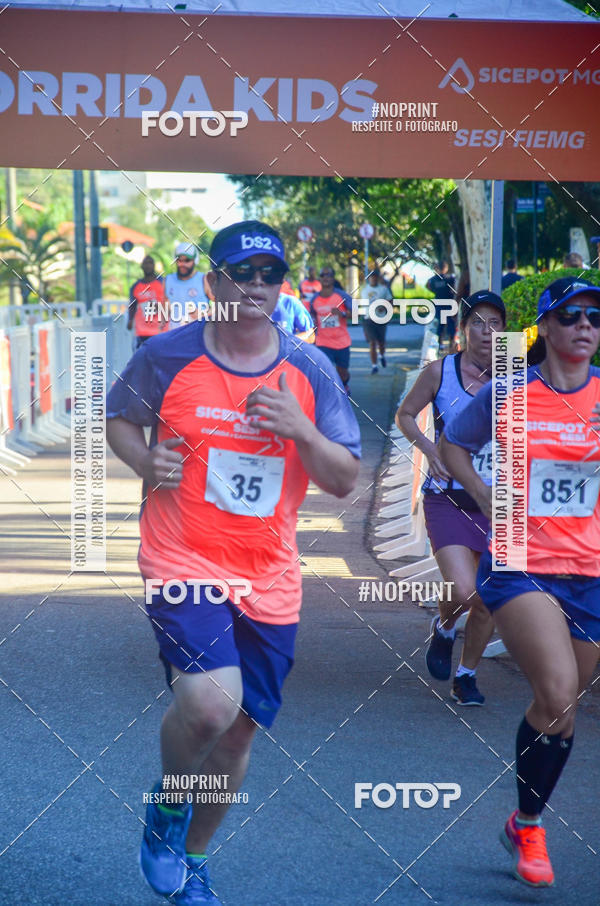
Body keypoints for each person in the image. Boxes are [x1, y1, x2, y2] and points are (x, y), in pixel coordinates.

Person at [106, 220, 360, 905]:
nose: (255, 287)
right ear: (211, 281)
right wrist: (143, 459)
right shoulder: (166, 356)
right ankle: (165, 809)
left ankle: (193, 857)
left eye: (269, 275)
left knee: (239, 732)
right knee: (212, 707)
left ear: (282, 284)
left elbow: (343, 479)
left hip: (268, 572)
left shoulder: (306, 369)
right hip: (181, 552)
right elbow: (120, 420)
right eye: (240, 273)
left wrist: (301, 430)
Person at [440, 276, 600, 888]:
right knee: (557, 692)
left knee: (563, 711)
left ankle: (524, 819)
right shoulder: (511, 392)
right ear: (547, 328)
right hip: (520, 560)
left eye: (593, 317)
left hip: (589, 570)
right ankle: (532, 831)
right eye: (571, 316)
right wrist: (480, 492)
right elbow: (455, 444)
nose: (584, 326)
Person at [396, 291, 504, 705]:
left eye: (495, 323)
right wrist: (428, 448)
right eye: (477, 322)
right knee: (463, 590)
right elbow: (405, 414)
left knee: (490, 595)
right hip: (448, 497)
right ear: (463, 329)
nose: (486, 331)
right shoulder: (440, 371)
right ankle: (444, 628)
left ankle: (467, 674)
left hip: (501, 502)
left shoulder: (519, 377)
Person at [311, 266, 352, 392]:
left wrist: (342, 314)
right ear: (320, 279)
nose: (326, 278)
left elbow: (356, 313)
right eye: (323, 275)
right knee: (325, 372)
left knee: (343, 373)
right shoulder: (315, 299)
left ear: (333, 278)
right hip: (323, 342)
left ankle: (344, 384)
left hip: (342, 342)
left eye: (328, 275)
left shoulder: (342, 296)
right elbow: (312, 317)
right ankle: (331, 394)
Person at [165, 241, 211, 329]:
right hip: (175, 336)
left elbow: (220, 306)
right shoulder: (168, 280)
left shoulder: (203, 279)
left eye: (187, 260)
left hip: (198, 335)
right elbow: (164, 308)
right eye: (179, 260)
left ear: (195, 260)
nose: (183, 264)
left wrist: (202, 313)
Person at [127, 255, 168, 348]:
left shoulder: (163, 283)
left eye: (150, 263)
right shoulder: (136, 286)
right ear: (141, 266)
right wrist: (130, 320)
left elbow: (170, 302)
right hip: (142, 332)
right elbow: (132, 305)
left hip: (160, 331)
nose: (148, 266)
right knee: (142, 359)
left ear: (154, 265)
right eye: (145, 263)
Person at [361, 269, 393, 374]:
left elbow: (390, 301)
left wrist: (384, 307)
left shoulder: (383, 289)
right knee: (372, 343)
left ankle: (382, 356)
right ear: (368, 278)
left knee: (381, 342)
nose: (373, 278)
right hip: (368, 319)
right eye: (371, 276)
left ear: (378, 278)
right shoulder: (364, 291)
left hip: (381, 319)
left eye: (375, 276)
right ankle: (374, 366)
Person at [426, 260, 456, 346]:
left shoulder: (433, 279)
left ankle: (440, 343)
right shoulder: (450, 278)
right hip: (449, 303)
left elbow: (427, 285)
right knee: (450, 323)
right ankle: (451, 342)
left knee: (440, 324)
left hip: (439, 303)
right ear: (446, 268)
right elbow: (454, 289)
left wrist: (435, 291)